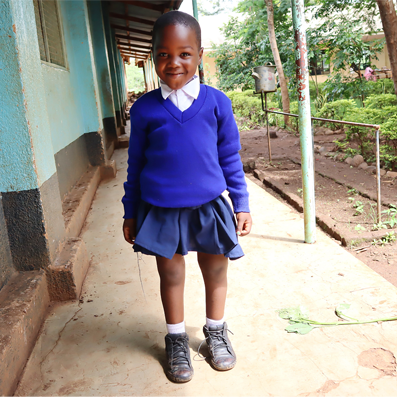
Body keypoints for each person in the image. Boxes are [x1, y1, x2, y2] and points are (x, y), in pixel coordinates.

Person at [121, 10, 252, 383]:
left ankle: (215, 331)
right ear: (152, 56)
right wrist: (131, 211)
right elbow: (135, 164)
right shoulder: (144, 109)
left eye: (184, 54)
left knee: (215, 270)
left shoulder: (216, 103)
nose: (173, 62)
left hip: (209, 205)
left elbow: (229, 156)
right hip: (161, 209)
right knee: (172, 274)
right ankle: (176, 338)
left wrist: (240, 203)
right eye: (163, 54)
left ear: (199, 54)